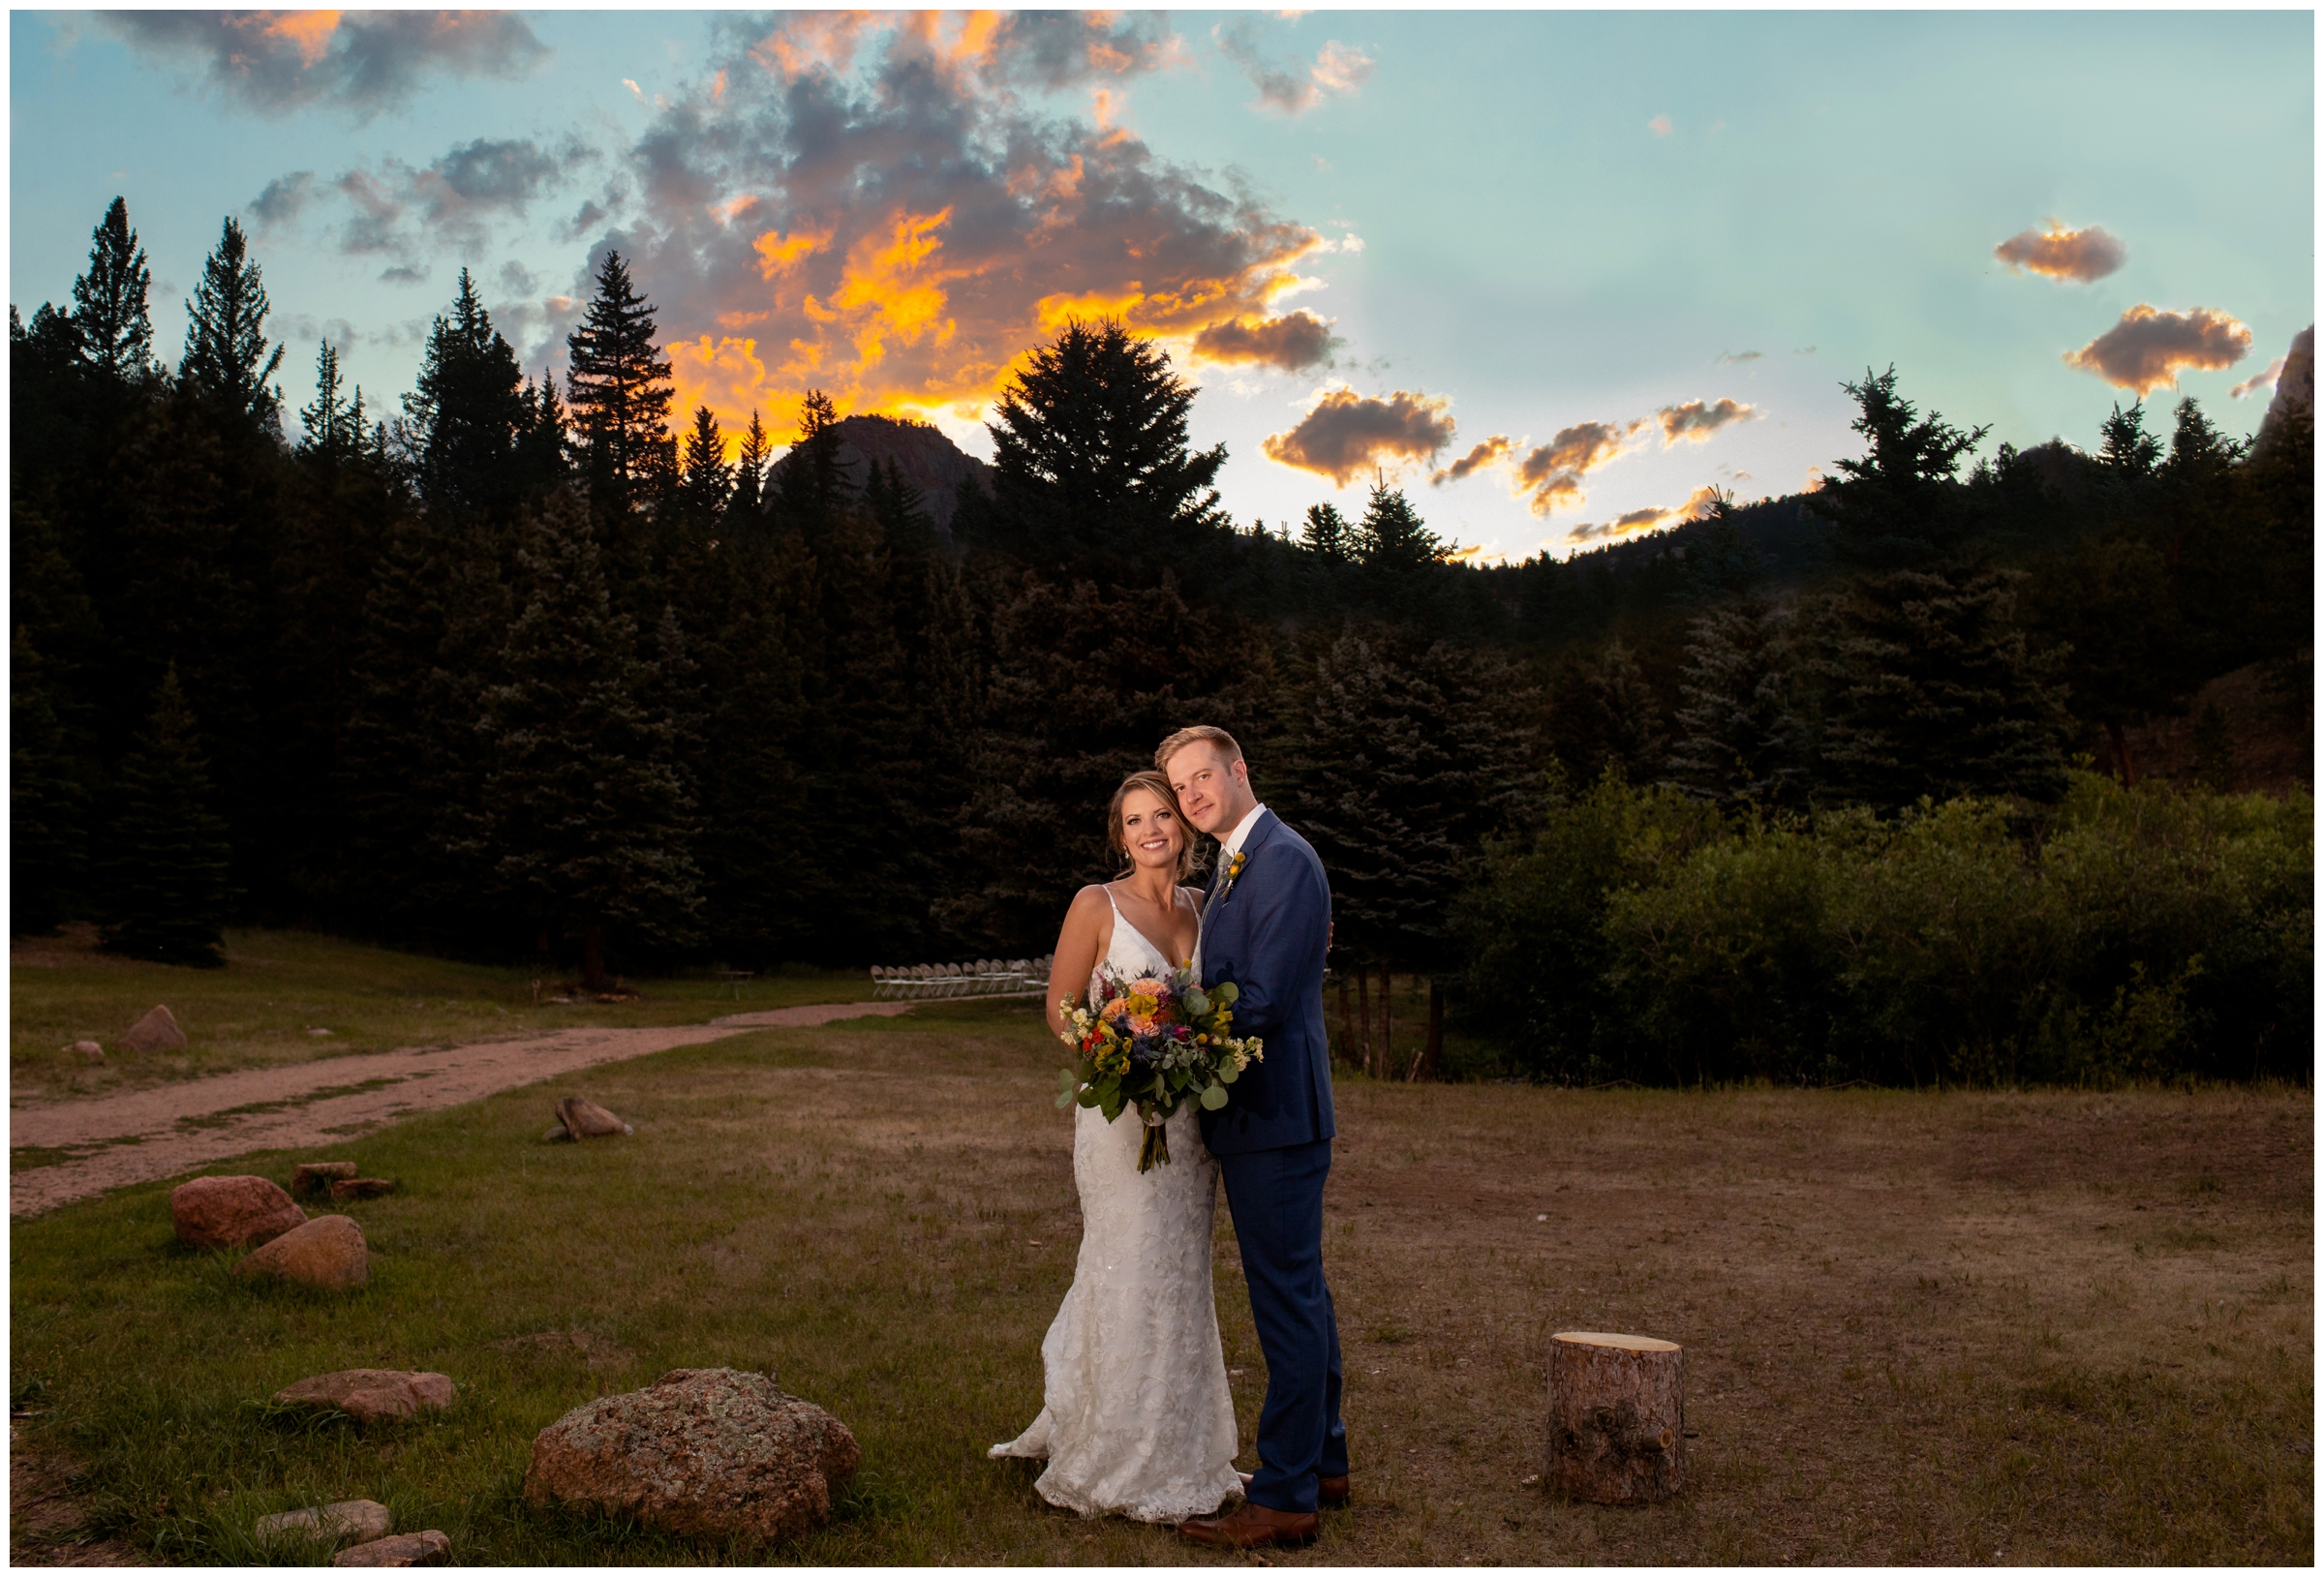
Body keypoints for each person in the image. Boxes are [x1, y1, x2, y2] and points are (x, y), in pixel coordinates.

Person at [987, 771, 1244, 1523]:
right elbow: (1060, 1007)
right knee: (1127, 1257)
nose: (1151, 830)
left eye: (1161, 814)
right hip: (1118, 1114)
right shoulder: (1094, 904)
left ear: (1182, 826)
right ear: (1119, 835)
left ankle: (1183, 1445)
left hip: (1190, 1122)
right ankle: (1112, 1444)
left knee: (1179, 1268)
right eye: (1134, 821)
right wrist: (1115, 1052)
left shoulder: (1206, 905)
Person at [1160, 724, 1348, 1551]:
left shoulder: (1283, 859)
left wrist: (1168, 1031)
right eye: (1181, 786)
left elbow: (1263, 995)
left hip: (1276, 1115)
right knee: (1299, 1289)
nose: (1193, 794)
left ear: (1239, 771)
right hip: (1258, 1116)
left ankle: (1283, 1496)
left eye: (1204, 775)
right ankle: (1324, 1464)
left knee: (1285, 1299)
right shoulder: (1237, 862)